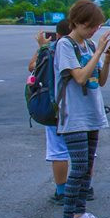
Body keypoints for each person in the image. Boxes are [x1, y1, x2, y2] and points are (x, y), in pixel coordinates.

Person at [55, 0, 110, 218]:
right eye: (90, 26)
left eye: (96, 27)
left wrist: (107, 57)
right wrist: (99, 51)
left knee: (87, 167)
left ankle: (80, 213)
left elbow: (99, 80)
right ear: (77, 22)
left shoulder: (89, 45)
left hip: (92, 113)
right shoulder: (65, 45)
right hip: (73, 116)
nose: (94, 31)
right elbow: (80, 77)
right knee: (79, 167)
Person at [28, 19, 71, 206]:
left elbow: (32, 67)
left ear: (58, 33)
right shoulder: (84, 48)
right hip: (82, 107)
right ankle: (86, 187)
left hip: (56, 106)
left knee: (58, 150)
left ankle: (61, 192)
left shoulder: (51, 49)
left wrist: (41, 47)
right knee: (85, 150)